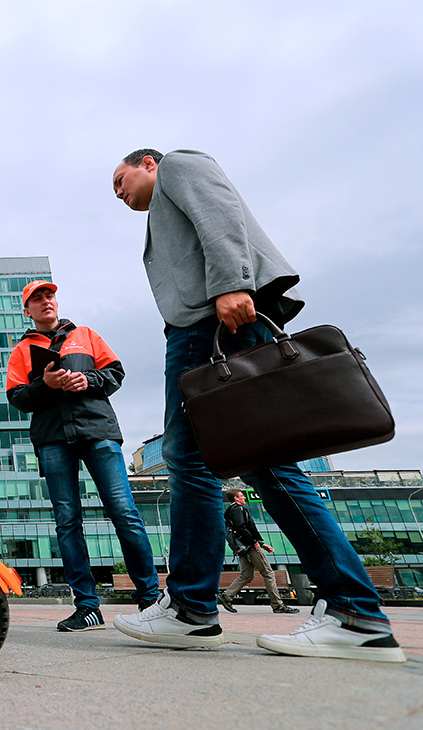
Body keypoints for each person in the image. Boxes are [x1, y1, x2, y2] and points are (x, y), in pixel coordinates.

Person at [109, 148, 404, 662]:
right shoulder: (158, 206)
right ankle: (197, 608)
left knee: (250, 460)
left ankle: (349, 612)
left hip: (213, 322)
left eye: (120, 178)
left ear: (148, 163)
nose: (118, 192)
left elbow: (219, 213)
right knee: (222, 461)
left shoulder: (179, 164)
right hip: (200, 324)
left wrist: (231, 285)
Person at [6, 280, 160, 632]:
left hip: (98, 433)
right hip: (52, 439)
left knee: (124, 511)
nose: (46, 302)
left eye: (49, 296)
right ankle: (88, 607)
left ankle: (150, 599)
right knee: (67, 521)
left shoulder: (86, 335)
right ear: (26, 310)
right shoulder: (22, 352)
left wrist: (87, 380)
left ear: (56, 301)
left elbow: (115, 373)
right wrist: (47, 384)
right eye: (37, 299)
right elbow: (17, 398)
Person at [218, 488, 299, 614]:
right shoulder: (238, 509)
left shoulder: (231, 511)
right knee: (268, 574)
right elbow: (241, 527)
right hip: (250, 547)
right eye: (241, 495)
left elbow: (242, 529)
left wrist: (262, 544)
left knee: (246, 576)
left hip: (243, 548)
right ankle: (278, 605)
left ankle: (226, 596)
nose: (244, 497)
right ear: (236, 498)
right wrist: (254, 542)